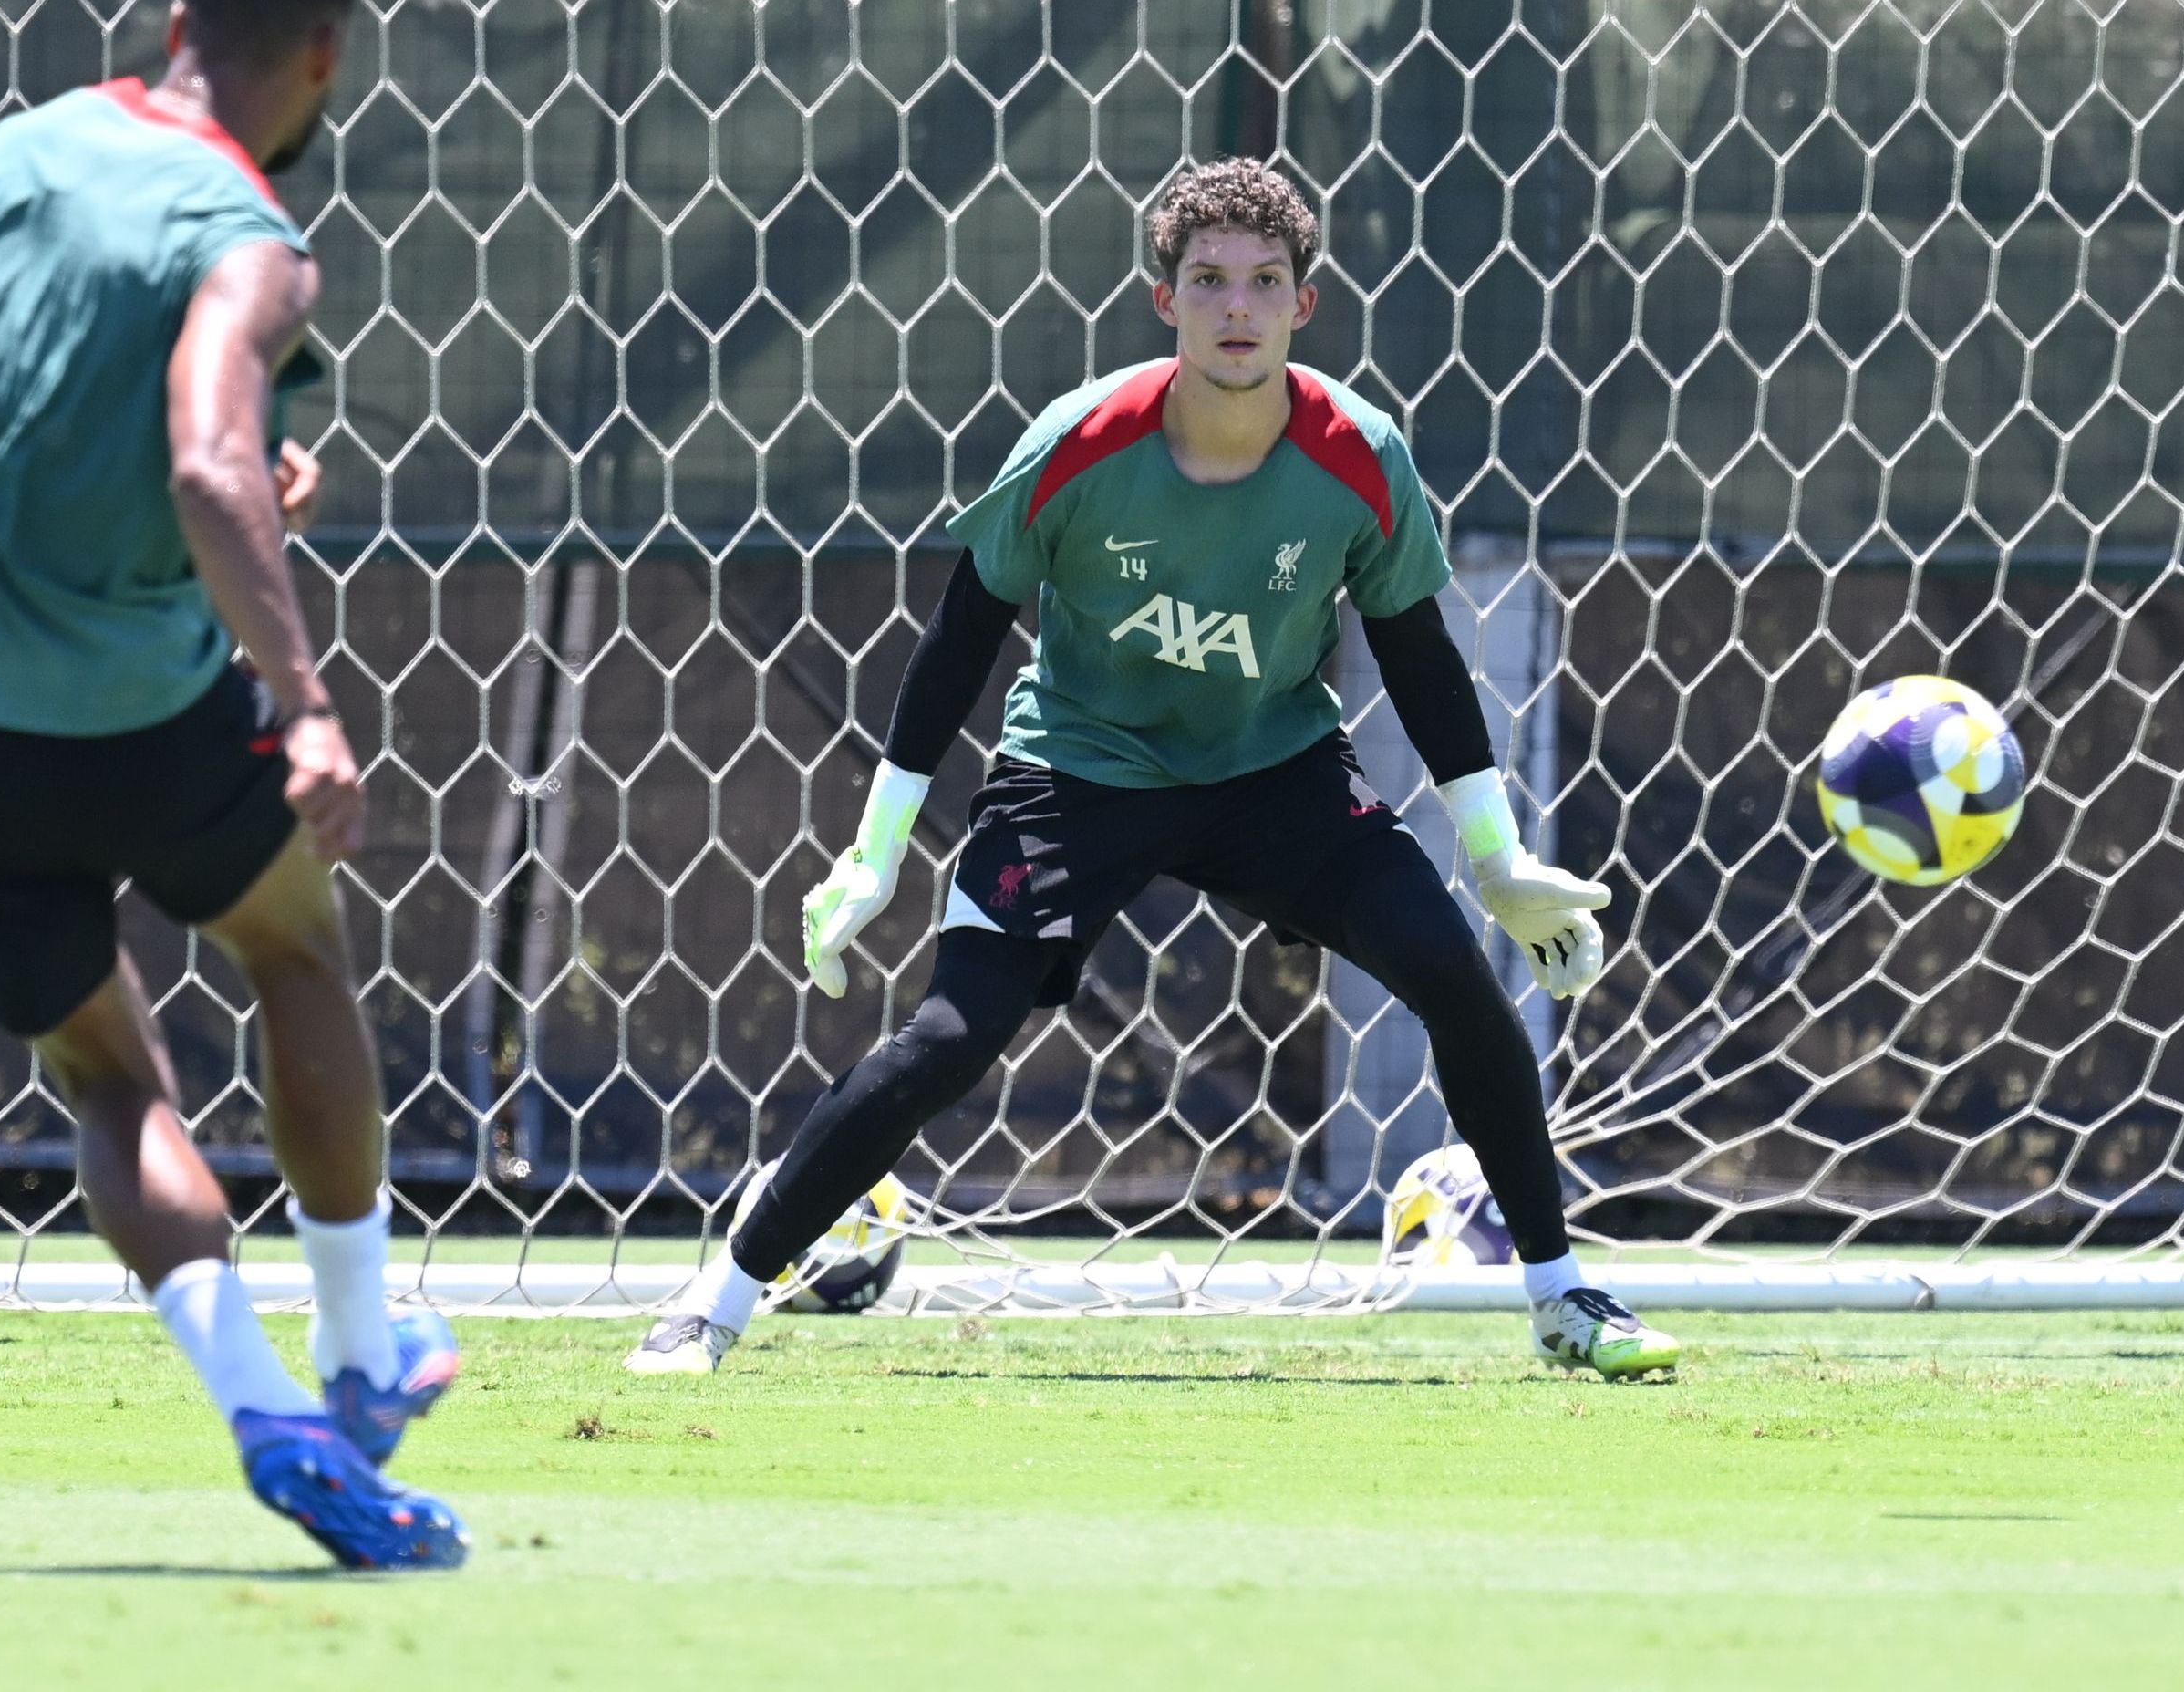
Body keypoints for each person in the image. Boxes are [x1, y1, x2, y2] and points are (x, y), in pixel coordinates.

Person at [627, 157, 1679, 1382]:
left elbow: (1421, 658)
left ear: (1303, 305)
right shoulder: (1075, 445)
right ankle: (713, 1304)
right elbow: (958, 639)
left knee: (1452, 971)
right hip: (1077, 770)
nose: (1238, 306)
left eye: (1265, 281)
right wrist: (872, 856)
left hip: (1275, 774)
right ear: (1164, 298)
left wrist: (1496, 861)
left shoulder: (1361, 455)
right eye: (1209, 279)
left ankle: (1560, 1298)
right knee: (950, 1037)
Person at [0, 0, 467, 1571]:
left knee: (109, 1076)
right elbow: (199, 459)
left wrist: (239, 488)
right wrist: (306, 702)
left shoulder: (18, 148)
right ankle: (359, 1355)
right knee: (294, 946)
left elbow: (25, 399)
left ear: (176, 25)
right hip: (131, 712)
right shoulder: (255, 238)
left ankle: (261, 1411)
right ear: (321, 59)